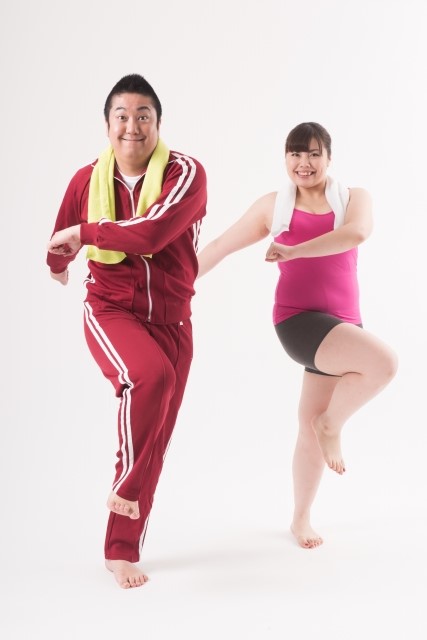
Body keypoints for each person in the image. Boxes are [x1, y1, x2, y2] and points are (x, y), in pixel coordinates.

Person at [196, 122, 397, 549]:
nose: (303, 163)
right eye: (295, 153)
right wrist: (171, 286)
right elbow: (218, 247)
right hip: (298, 322)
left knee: (308, 429)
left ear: (329, 158)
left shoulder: (354, 199)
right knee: (384, 364)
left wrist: (294, 250)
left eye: (313, 154)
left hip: (344, 325)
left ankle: (300, 519)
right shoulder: (274, 207)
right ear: (285, 158)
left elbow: (357, 234)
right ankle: (332, 424)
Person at [46, 74, 207, 588]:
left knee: (156, 436)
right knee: (151, 378)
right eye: (122, 116)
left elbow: (153, 232)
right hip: (111, 309)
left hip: (174, 321)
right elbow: (59, 237)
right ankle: (126, 493)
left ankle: (121, 551)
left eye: (143, 116)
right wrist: (58, 264)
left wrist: (84, 233)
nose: (132, 126)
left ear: (158, 124)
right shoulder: (87, 180)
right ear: (107, 124)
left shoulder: (185, 173)